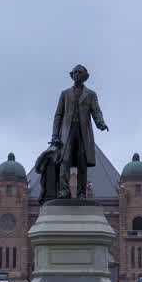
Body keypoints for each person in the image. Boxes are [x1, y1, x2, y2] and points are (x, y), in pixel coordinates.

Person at [50, 64, 108, 199]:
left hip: (83, 132)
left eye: (79, 72)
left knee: (82, 161)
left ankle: (81, 192)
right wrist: (54, 135)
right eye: (74, 73)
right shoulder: (65, 94)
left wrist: (100, 123)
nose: (76, 74)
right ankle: (64, 190)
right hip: (66, 132)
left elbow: (96, 111)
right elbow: (58, 115)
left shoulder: (91, 94)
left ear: (84, 76)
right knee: (65, 160)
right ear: (72, 76)